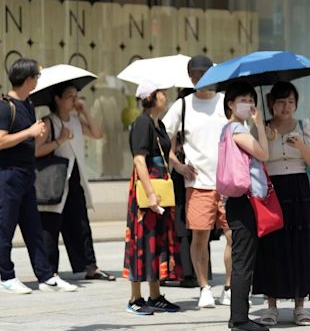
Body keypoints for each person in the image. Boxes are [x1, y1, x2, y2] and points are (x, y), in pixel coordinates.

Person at [252, 82, 310, 327]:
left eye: (291, 102)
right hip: (271, 191)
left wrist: (301, 146)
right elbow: (253, 160)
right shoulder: (261, 128)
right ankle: (271, 306)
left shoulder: (306, 126)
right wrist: (264, 136)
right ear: (271, 103)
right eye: (281, 102)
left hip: (299, 190)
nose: (286, 107)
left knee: (300, 247)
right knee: (271, 247)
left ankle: (300, 306)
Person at [0, 58, 77, 293]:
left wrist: (38, 134)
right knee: (5, 227)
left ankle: (45, 276)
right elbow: (1, 140)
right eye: (36, 77)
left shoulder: (29, 104)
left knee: (34, 228)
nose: (37, 81)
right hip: (8, 176)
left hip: (26, 175)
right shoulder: (5, 106)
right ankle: (6, 275)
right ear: (28, 79)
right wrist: (29, 132)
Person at [163, 55, 232, 308]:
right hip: (197, 183)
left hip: (229, 183)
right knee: (199, 237)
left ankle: (229, 286)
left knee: (233, 236)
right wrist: (177, 165)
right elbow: (162, 140)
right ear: (190, 77)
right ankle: (204, 288)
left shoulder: (226, 103)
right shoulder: (181, 106)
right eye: (196, 75)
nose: (201, 79)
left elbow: (242, 134)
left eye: (206, 74)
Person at [35, 82, 115, 281]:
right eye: (70, 96)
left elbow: (98, 134)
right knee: (50, 226)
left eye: (76, 95)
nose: (74, 100)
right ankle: (49, 271)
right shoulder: (48, 122)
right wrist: (59, 141)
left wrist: (85, 111)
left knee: (80, 224)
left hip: (75, 180)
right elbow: (35, 151)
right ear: (57, 99)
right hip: (54, 181)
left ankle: (90, 267)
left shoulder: (76, 120)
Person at [124, 80, 183, 315]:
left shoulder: (156, 124)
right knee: (142, 239)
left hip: (160, 186)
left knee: (157, 239)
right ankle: (135, 297)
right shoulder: (142, 124)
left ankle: (156, 294)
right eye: (162, 93)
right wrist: (149, 193)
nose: (165, 96)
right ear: (150, 96)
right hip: (148, 186)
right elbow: (139, 159)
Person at [221, 80, 269, 331]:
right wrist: (259, 124)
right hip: (244, 200)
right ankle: (240, 319)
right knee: (243, 262)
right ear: (230, 103)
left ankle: (238, 316)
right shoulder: (237, 129)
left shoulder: (227, 129)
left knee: (243, 258)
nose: (249, 104)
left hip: (237, 200)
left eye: (252, 99)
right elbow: (264, 154)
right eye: (243, 100)